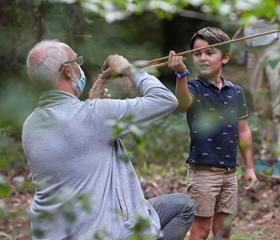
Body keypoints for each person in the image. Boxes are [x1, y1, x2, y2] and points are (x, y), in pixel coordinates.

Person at [22, 39, 195, 240]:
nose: (80, 66)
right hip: (106, 233)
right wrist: (129, 69)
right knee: (184, 206)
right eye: (76, 61)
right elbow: (165, 100)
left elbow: (79, 143)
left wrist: (93, 103)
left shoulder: (30, 125)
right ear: (68, 71)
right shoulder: (94, 115)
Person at [167, 27, 257, 240]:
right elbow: (183, 102)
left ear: (225, 57)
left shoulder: (235, 92)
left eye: (209, 52)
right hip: (203, 173)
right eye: (197, 54)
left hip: (229, 171)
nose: (203, 58)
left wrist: (250, 167)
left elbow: (243, 131)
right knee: (200, 230)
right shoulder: (193, 87)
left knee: (223, 229)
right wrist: (181, 74)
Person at [242, 0, 280, 178]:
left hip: (276, 42)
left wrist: (270, 14)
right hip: (251, 44)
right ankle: (268, 157)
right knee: (261, 106)